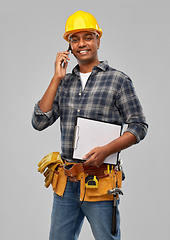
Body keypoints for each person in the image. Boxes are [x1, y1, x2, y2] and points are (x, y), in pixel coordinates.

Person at [32, 10, 148, 240]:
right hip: (66, 183)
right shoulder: (63, 83)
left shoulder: (118, 80)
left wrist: (106, 150)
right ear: (68, 46)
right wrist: (56, 78)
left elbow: (139, 126)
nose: (81, 44)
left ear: (98, 40)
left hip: (101, 181)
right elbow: (39, 121)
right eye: (74, 39)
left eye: (87, 37)